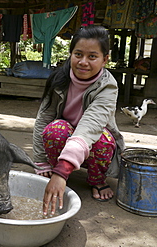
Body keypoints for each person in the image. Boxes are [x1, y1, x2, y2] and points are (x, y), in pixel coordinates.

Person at [32, 25, 125, 216]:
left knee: (104, 139)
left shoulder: (108, 86)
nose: (83, 62)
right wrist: (41, 162)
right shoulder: (59, 78)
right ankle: (56, 169)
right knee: (54, 129)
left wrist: (62, 171)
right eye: (78, 54)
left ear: (105, 60)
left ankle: (96, 180)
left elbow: (90, 126)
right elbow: (43, 119)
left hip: (92, 140)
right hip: (65, 137)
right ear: (71, 54)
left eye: (92, 56)